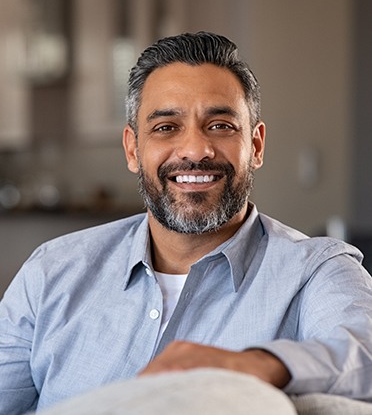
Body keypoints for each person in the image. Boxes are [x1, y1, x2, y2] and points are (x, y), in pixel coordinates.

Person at [1, 31, 372, 414]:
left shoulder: (318, 270)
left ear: (256, 146)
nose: (196, 150)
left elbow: (362, 354)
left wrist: (253, 364)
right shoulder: (51, 271)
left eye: (220, 125)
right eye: (166, 127)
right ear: (132, 149)